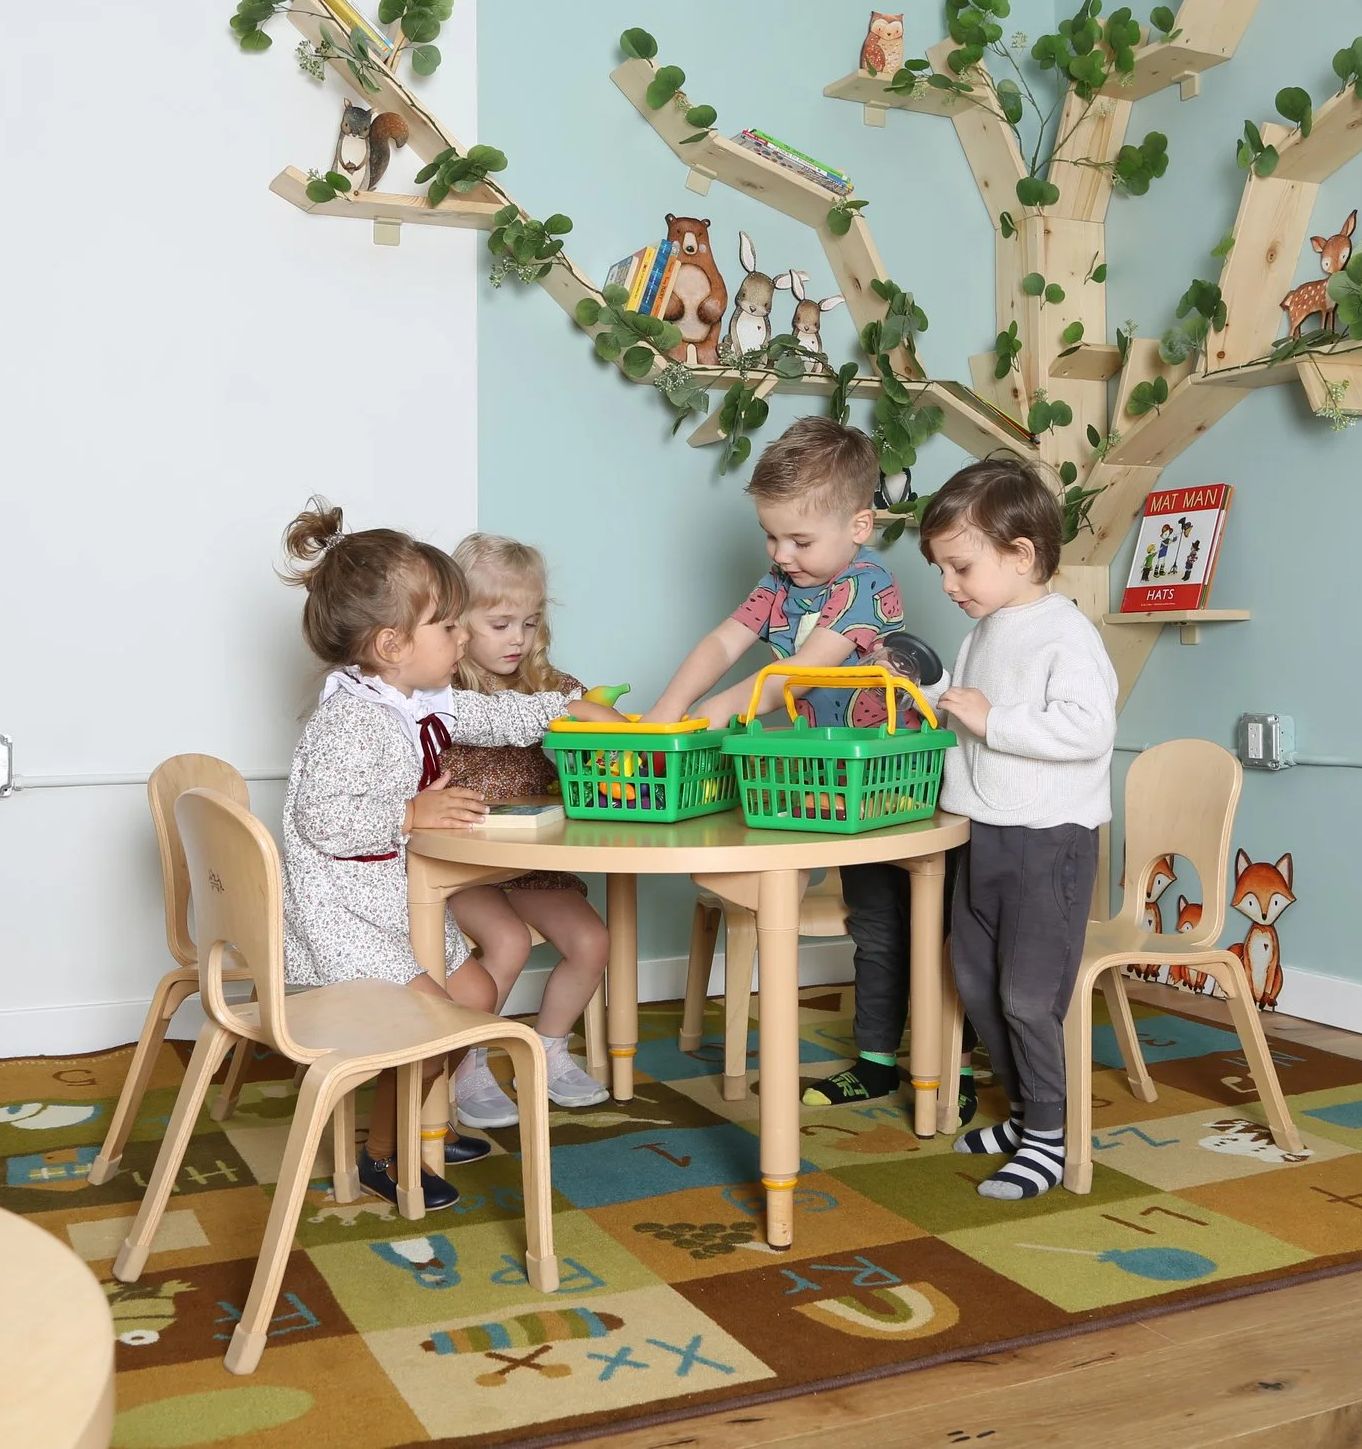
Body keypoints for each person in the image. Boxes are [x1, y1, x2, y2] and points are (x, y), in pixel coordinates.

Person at [274, 503, 617, 1209]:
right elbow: (322, 819)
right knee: (433, 1024)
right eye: (448, 624)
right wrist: (408, 811)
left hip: (384, 905)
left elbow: (499, 716)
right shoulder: (351, 716)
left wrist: (567, 709)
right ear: (393, 642)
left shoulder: (418, 699)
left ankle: (417, 1115)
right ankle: (383, 1152)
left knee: (478, 995)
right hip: (344, 920)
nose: (460, 636)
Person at [643, 416, 965, 1117]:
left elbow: (788, 677)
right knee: (873, 924)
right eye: (771, 535)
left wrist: (706, 717)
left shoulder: (865, 586)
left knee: (930, 927)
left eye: (798, 539)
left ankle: (951, 1064)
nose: (780, 553)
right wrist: (666, 709)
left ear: (859, 524)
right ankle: (878, 1061)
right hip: (832, 781)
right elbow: (724, 642)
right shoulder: (780, 583)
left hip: (891, 784)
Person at [918, 457, 1118, 1198]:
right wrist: (931, 686)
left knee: (1029, 996)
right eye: (942, 568)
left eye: (960, 566)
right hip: (990, 833)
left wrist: (989, 717)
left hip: (1049, 840)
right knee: (973, 977)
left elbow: (1088, 728)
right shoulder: (988, 629)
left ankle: (1049, 1135)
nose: (949, 584)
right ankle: (1030, 1106)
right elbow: (970, 706)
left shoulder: (1065, 635)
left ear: (1023, 553)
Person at [440, 533, 613, 1128]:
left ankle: (549, 1048)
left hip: (530, 860)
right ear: (458, 623)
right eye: (501, 623)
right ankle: (468, 1058)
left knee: (593, 944)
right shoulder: (442, 692)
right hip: (460, 865)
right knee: (509, 942)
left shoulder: (553, 687)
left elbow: (606, 736)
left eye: (531, 623)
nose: (518, 638)